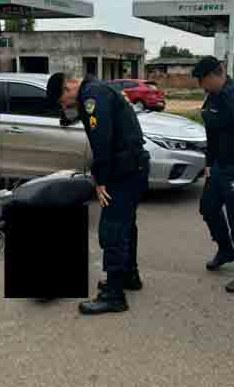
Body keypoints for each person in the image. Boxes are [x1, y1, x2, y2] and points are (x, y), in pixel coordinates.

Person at [46, 72, 150, 315]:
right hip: (133, 167)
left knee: (112, 230)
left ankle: (114, 296)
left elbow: (102, 142)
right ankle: (128, 276)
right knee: (125, 225)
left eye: (63, 101)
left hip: (122, 171)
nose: (65, 106)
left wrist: (101, 181)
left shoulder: (92, 96)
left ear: (68, 88)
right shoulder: (98, 89)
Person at [192, 56, 234, 293]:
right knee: (208, 207)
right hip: (219, 167)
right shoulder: (212, 97)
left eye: (203, 80)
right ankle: (226, 249)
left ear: (216, 74)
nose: (201, 86)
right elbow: (212, 135)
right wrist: (209, 164)